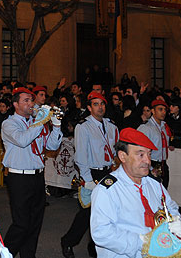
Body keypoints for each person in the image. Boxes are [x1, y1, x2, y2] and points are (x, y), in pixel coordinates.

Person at [90, 128, 181, 258]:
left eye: (149, 154)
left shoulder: (154, 184)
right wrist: (143, 242)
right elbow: (102, 233)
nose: (147, 160)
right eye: (140, 154)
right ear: (123, 156)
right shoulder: (107, 190)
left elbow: (170, 206)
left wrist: (175, 220)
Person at [2, 87, 63, 258]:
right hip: (19, 177)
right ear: (15, 104)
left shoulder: (36, 123)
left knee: (35, 223)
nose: (31, 104)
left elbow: (51, 146)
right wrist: (41, 122)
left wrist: (56, 126)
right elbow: (23, 140)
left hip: (37, 176)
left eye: (31, 100)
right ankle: (3, 254)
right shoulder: (9, 123)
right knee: (21, 224)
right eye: (26, 101)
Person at [62, 91, 119, 258]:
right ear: (89, 107)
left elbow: (116, 150)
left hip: (109, 172)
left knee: (107, 214)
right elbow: (80, 156)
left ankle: (95, 248)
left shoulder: (111, 125)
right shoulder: (83, 126)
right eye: (95, 104)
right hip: (92, 173)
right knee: (87, 214)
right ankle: (68, 241)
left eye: (102, 104)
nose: (100, 107)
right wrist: (87, 179)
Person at [137, 99, 172, 187]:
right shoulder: (146, 127)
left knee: (163, 190)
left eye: (165, 110)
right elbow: (138, 148)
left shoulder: (164, 126)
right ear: (153, 111)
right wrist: (149, 167)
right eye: (160, 109)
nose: (163, 112)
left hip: (163, 164)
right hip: (151, 163)